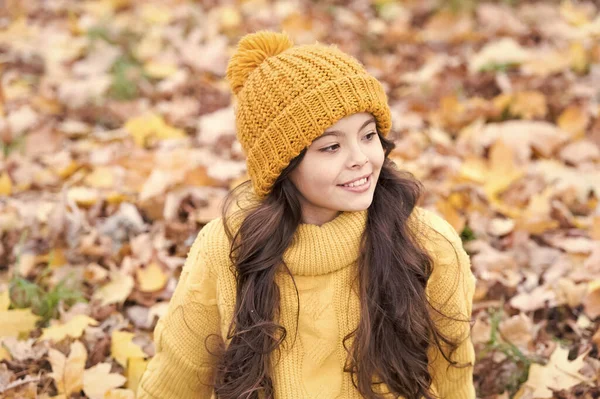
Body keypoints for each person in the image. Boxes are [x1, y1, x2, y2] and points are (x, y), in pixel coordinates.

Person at [136, 30, 477, 399]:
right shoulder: (226, 248)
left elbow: (452, 374)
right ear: (283, 166)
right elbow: (179, 376)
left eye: (367, 135)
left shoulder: (427, 244)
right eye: (331, 146)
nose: (360, 159)